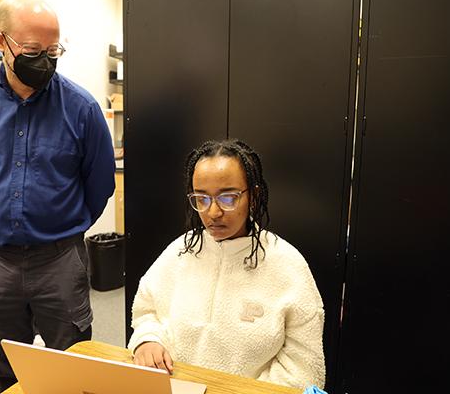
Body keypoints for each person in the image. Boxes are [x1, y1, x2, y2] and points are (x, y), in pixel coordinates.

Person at [0, 0, 116, 392]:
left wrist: (61, 225)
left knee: (72, 371)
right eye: (32, 51)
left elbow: (99, 186)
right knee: (6, 370)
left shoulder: (82, 107)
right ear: (0, 42)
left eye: (53, 50)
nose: (44, 59)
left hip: (59, 259)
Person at [128, 139, 326, 390]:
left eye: (228, 198)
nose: (213, 212)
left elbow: (305, 366)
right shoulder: (180, 252)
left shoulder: (286, 265)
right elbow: (146, 310)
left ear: (252, 196)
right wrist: (147, 341)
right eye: (201, 198)